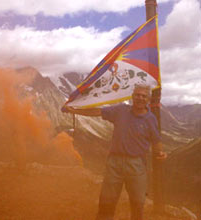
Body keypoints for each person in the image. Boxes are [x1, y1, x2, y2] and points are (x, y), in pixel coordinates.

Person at [62, 84, 167, 220]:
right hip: (114, 163)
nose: (140, 98)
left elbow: (156, 140)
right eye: (137, 95)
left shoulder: (150, 119)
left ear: (148, 99)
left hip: (136, 165)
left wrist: (161, 152)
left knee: (137, 203)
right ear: (132, 96)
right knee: (106, 201)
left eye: (144, 96)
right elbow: (98, 112)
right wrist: (74, 110)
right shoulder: (120, 111)